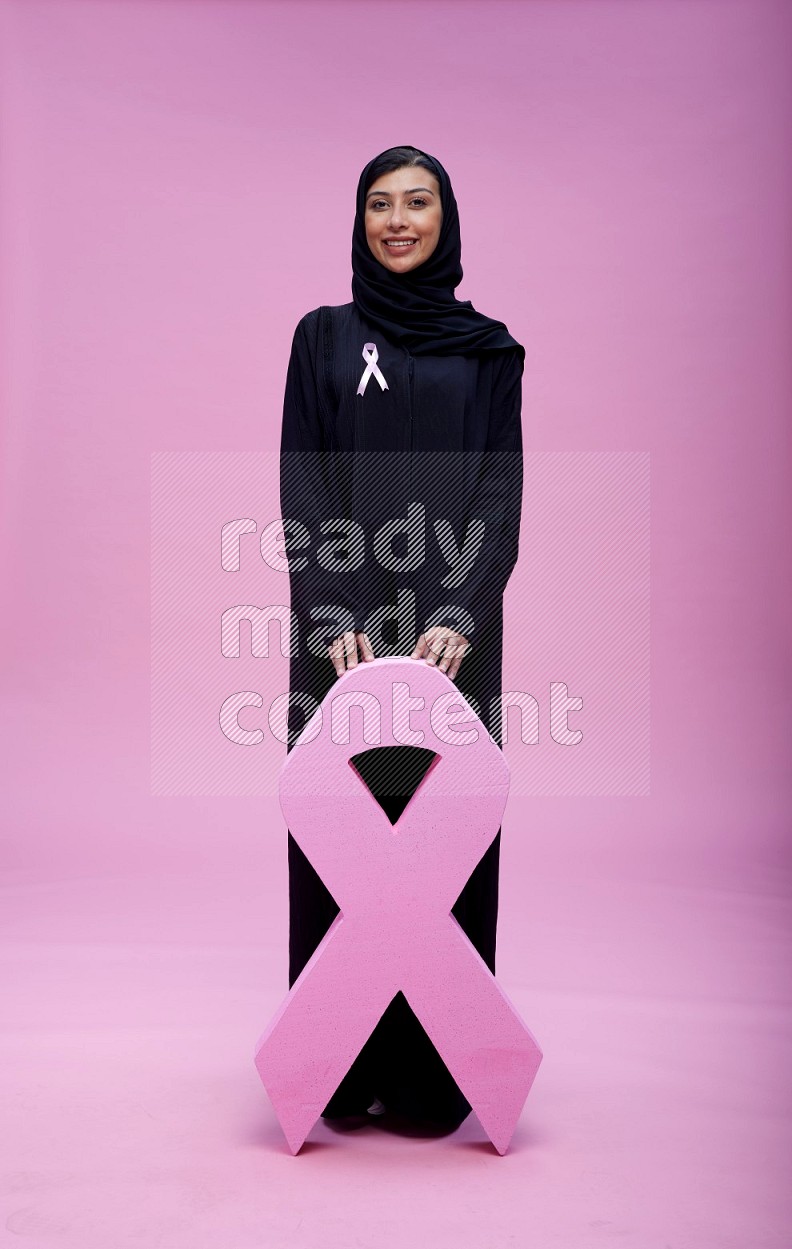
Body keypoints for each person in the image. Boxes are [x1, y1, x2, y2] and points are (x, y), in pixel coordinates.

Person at [279, 145, 524, 1130]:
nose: (396, 221)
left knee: (442, 845)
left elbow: (496, 497)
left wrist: (460, 612)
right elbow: (304, 482)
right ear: (358, 221)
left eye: (416, 203)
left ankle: (431, 1083)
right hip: (337, 635)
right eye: (378, 204)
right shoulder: (322, 339)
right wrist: (331, 612)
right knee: (338, 842)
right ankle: (332, 1069)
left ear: (444, 218)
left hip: (453, 645)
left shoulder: (488, 350)